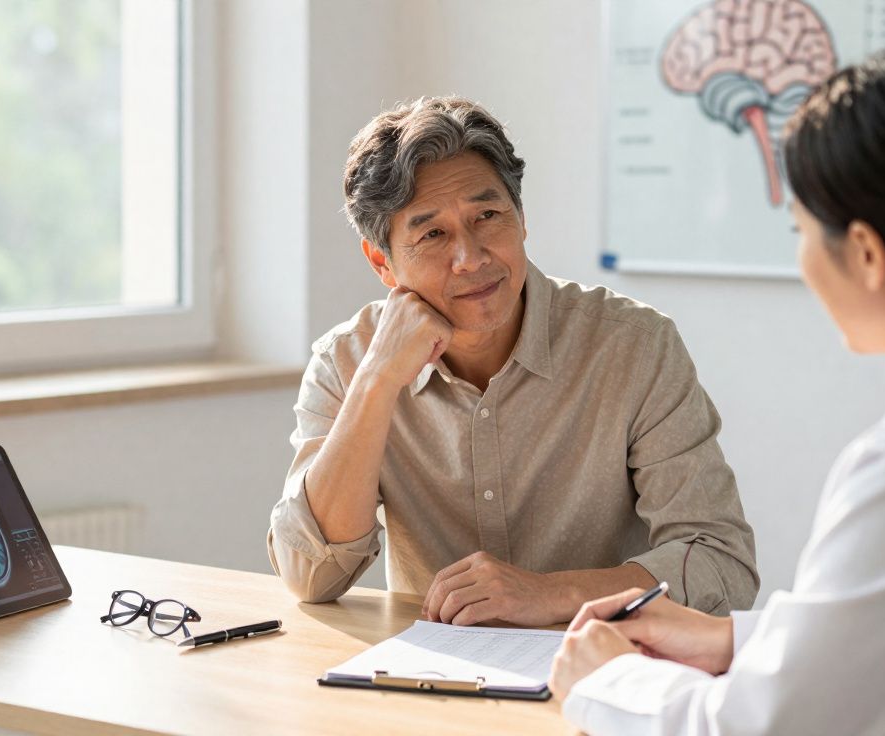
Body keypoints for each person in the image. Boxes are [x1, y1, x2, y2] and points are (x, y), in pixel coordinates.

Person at [551, 48, 885, 734]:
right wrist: (737, 639)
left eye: (800, 230)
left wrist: (606, 679)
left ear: (866, 254)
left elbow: (765, 727)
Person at [266, 97, 759, 626]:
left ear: (522, 219)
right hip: (431, 684)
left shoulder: (635, 346)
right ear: (382, 262)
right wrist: (378, 382)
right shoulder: (346, 362)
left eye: (488, 216)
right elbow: (310, 576)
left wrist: (553, 593)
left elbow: (720, 563)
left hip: (609, 673)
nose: (472, 258)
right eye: (432, 234)